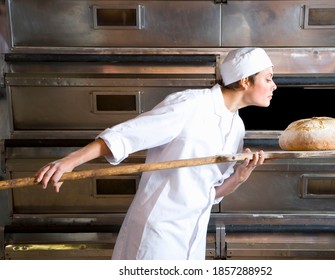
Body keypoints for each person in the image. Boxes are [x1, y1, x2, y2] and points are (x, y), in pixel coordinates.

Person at [35, 47, 277, 260]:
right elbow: (127, 135)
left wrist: (239, 178)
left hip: (192, 239)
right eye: (268, 79)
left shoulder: (236, 126)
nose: (274, 86)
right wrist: (70, 161)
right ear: (245, 81)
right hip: (158, 235)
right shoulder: (191, 105)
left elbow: (209, 193)